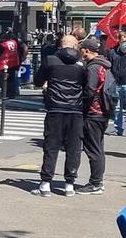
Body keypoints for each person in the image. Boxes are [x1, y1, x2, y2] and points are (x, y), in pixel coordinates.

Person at [32, 35, 87, 197]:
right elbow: (86, 84)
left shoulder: (50, 60)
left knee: (51, 146)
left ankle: (45, 183)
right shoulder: (81, 64)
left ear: (60, 45)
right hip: (75, 108)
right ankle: (69, 184)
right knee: (74, 147)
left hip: (55, 107)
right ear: (76, 46)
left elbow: (37, 81)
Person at [77, 37, 112, 195]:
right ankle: (99, 181)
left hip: (93, 112)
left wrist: (81, 105)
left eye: (82, 49)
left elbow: (90, 90)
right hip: (103, 111)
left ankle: (95, 183)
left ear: (86, 51)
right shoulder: (105, 64)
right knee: (98, 147)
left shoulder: (93, 67)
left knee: (93, 149)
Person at [0, 30, 20, 98]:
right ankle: (12, 94)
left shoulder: (2, 45)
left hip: (4, 64)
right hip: (13, 63)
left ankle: (4, 94)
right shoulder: (14, 42)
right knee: (11, 79)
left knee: (3, 80)